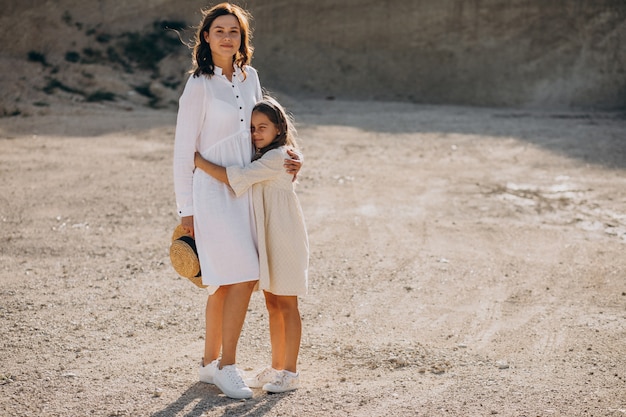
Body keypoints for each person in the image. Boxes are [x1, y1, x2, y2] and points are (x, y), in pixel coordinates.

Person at [172, 3, 301, 400]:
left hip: (248, 191)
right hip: (211, 193)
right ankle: (228, 367)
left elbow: (266, 128)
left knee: (225, 285)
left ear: (242, 39)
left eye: (235, 31)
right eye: (219, 30)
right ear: (206, 37)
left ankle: (209, 365)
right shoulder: (198, 85)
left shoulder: (251, 77)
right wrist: (186, 211)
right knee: (240, 277)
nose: (227, 37)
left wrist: (291, 154)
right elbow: (183, 151)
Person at [194, 97, 309, 393]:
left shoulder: (276, 157)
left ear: (279, 128)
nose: (255, 134)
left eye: (262, 127)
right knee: (273, 303)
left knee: (287, 303)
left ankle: (291, 372)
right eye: (252, 128)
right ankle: (277, 367)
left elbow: (236, 178)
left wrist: (198, 161)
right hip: (270, 236)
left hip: (284, 237)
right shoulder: (270, 155)